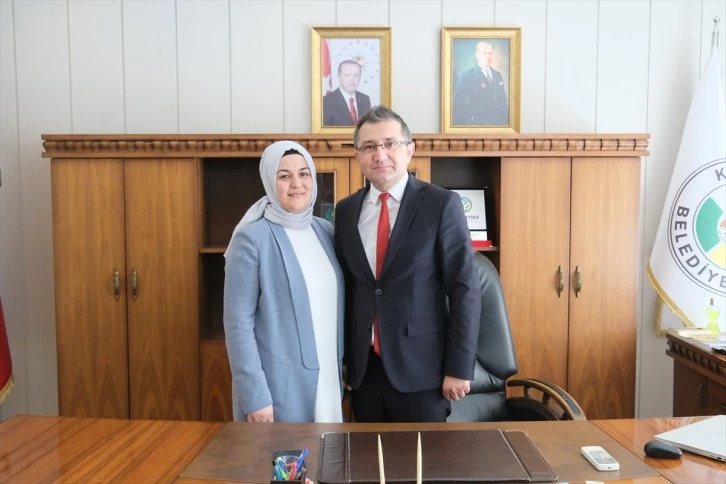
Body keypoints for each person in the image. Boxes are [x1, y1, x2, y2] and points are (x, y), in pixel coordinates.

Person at [334, 105, 481, 422]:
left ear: (409, 150)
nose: (380, 155)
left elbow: (464, 289)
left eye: (390, 143)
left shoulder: (441, 204)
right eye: (369, 147)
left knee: (423, 455)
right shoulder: (345, 211)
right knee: (366, 454)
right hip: (364, 372)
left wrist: (459, 368)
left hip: (423, 371)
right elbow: (347, 290)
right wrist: (343, 359)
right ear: (358, 156)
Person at [224, 140, 344, 423]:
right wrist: (255, 396)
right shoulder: (252, 239)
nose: (296, 184)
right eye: (284, 176)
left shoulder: (326, 231)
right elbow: (238, 325)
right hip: (278, 390)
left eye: (304, 173)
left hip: (328, 378)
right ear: (269, 181)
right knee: (285, 453)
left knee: (326, 450)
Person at [452, 41, 509, 126]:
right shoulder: (466, 76)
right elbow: (458, 103)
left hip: (497, 123)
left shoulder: (497, 75)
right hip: (477, 123)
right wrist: (470, 120)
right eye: (484, 53)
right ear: (477, 55)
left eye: (490, 53)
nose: (488, 56)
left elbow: (502, 99)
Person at [323, 60, 372, 126]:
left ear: (360, 77)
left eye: (356, 75)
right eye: (347, 75)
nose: (352, 79)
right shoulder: (326, 102)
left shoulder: (365, 99)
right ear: (339, 77)